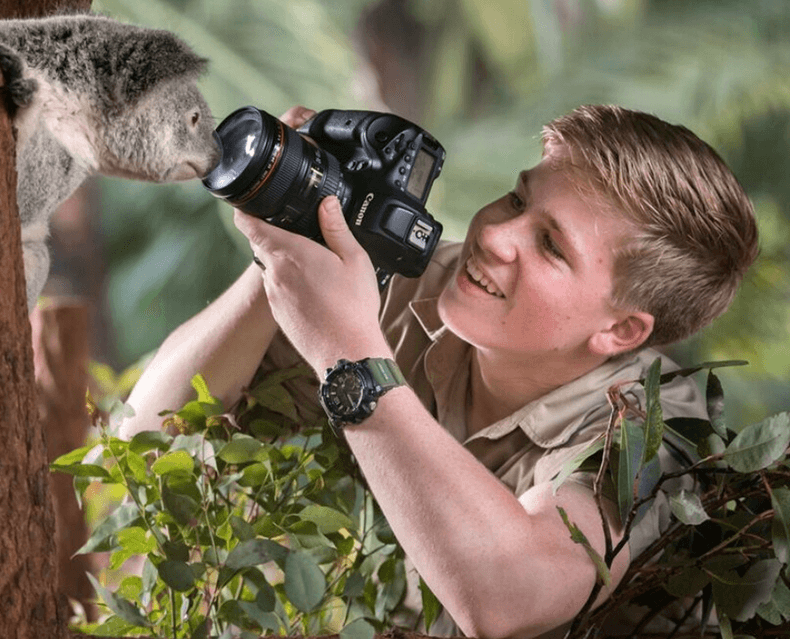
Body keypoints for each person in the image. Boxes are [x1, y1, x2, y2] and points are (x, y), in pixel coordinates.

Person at [123, 104, 758, 638]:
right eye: (516, 197)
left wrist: (349, 354)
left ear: (620, 331)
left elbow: (508, 598)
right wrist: (286, 252)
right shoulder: (404, 282)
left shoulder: (662, 430)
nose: (496, 234)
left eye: (550, 246)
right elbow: (147, 439)